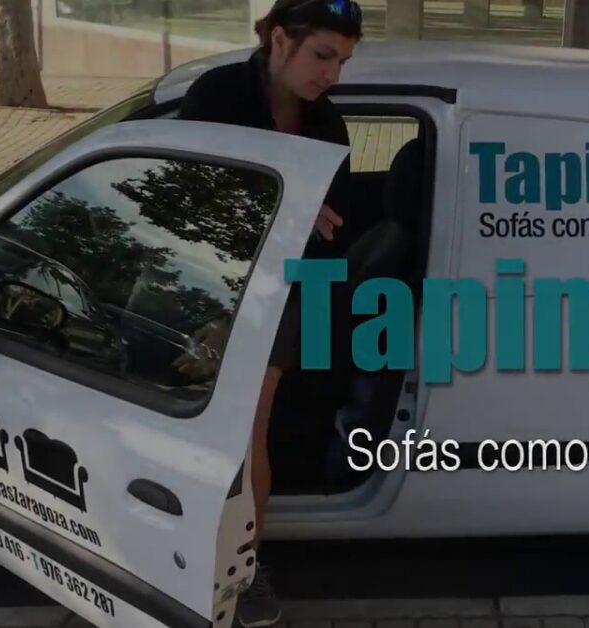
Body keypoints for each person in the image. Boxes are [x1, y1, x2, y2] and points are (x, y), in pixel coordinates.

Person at [175, 0, 363, 625]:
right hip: (200, 279)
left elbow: (327, 232)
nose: (332, 74)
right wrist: (279, 210)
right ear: (280, 40)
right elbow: (178, 196)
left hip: (276, 291)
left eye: (342, 61)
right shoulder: (217, 95)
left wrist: (299, 222)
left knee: (244, 429)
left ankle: (245, 572)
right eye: (323, 55)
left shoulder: (328, 126)